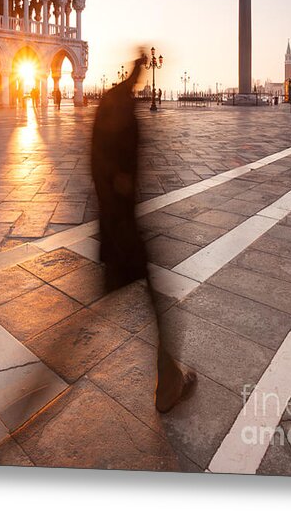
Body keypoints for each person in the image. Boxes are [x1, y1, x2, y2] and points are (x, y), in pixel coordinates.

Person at [91, 53, 196, 412]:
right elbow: (118, 172)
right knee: (154, 302)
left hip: (115, 225)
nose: (144, 72)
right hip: (123, 229)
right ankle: (169, 384)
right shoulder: (119, 106)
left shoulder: (112, 101)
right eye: (143, 67)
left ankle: (169, 380)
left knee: (141, 301)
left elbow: (101, 164)